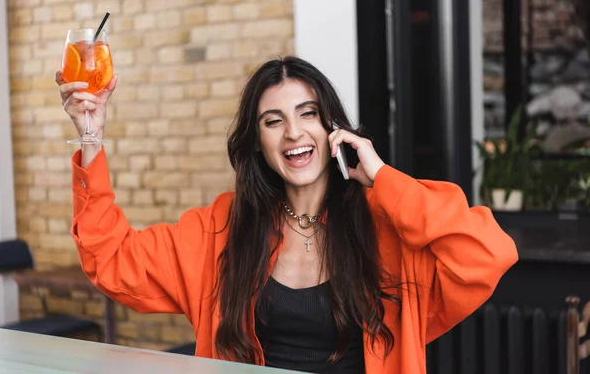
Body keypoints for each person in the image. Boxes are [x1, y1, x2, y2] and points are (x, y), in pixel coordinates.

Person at [56, 56, 518, 373]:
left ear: (332, 127)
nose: (294, 132)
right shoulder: (221, 229)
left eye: (308, 113)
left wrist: (382, 178)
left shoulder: (386, 227)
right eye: (273, 121)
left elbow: (487, 254)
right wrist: (91, 139)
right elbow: (111, 258)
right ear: (257, 142)